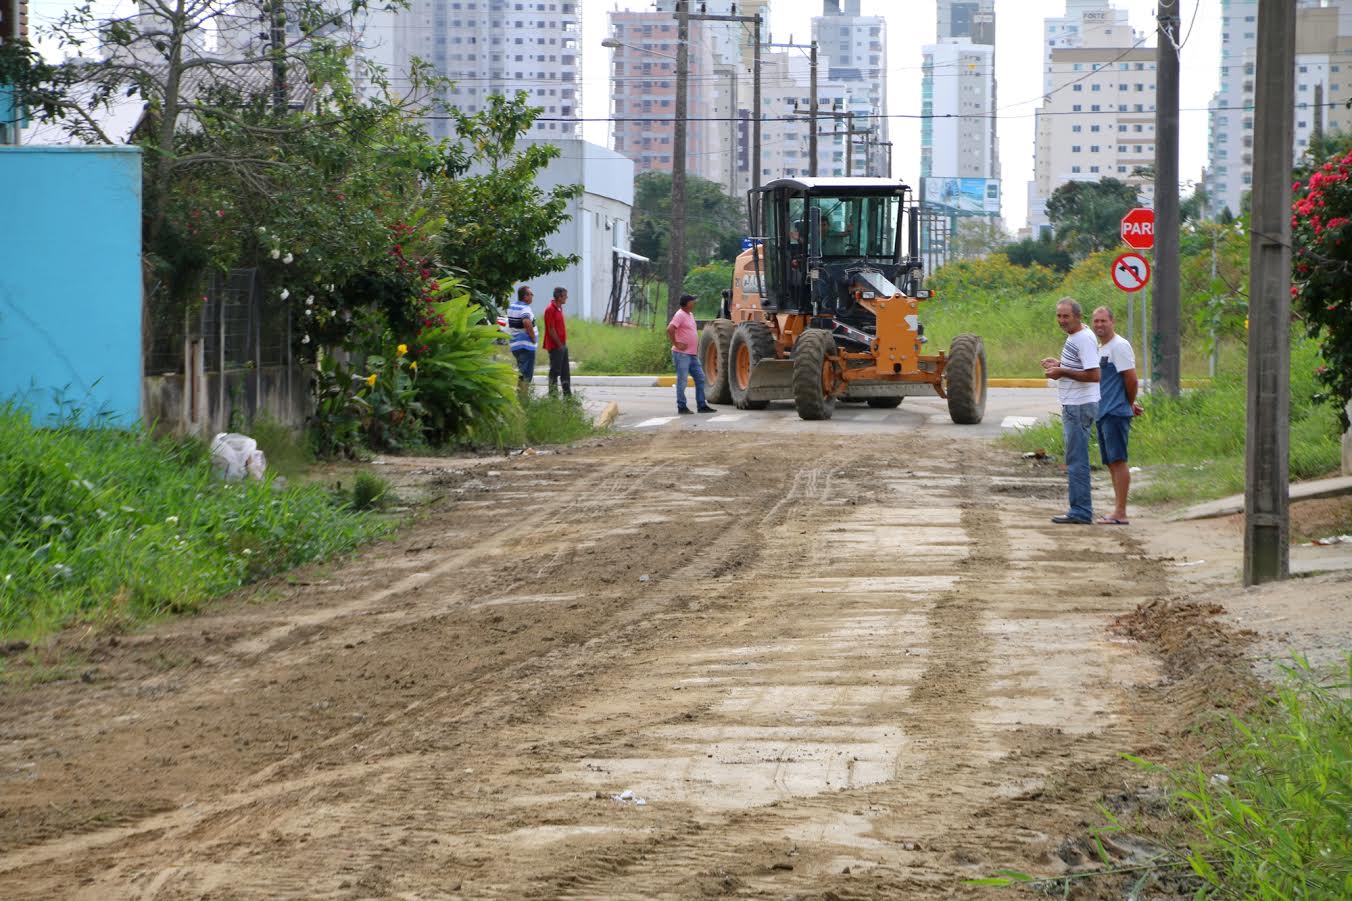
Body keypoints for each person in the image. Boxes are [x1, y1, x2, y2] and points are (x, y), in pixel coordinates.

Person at [1041, 298, 1101, 524]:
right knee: (1075, 458)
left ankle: (1081, 511)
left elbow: (1094, 375)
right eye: (1058, 316)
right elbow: (1081, 366)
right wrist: (1058, 364)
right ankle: (1080, 509)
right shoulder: (1076, 337)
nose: (1061, 321)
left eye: (1066, 316)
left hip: (1079, 406)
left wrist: (1061, 372)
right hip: (1075, 404)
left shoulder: (1083, 339)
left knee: (1077, 460)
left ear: (1078, 316)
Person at [1091, 306, 1144, 524]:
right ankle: (1117, 509)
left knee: (1118, 460)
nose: (1099, 325)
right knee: (1111, 462)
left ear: (1112, 322)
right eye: (1096, 321)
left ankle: (1121, 512)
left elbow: (1131, 380)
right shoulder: (1101, 348)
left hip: (1115, 413)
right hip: (1104, 412)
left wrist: (1127, 404)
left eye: (1103, 321)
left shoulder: (1119, 346)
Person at [666, 293, 714, 415]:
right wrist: (676, 343)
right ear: (687, 303)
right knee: (682, 381)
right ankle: (681, 406)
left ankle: (701, 405)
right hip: (682, 354)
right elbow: (670, 329)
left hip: (692, 354)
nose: (694, 302)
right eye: (692, 301)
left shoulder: (690, 314)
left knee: (700, 378)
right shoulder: (680, 315)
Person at [543, 286, 572, 397]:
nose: (567, 298)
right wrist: (559, 345)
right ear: (559, 297)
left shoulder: (559, 308)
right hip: (556, 346)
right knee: (554, 372)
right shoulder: (550, 309)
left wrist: (563, 345)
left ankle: (568, 396)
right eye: (565, 296)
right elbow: (551, 329)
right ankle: (553, 396)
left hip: (562, 345)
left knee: (565, 372)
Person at [507, 285, 537, 385]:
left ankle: (521, 397)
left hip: (515, 345)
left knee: (521, 372)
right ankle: (523, 398)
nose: (532, 296)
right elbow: (526, 322)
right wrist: (533, 337)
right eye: (531, 294)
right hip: (526, 346)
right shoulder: (525, 308)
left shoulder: (512, 306)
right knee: (526, 376)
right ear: (525, 296)